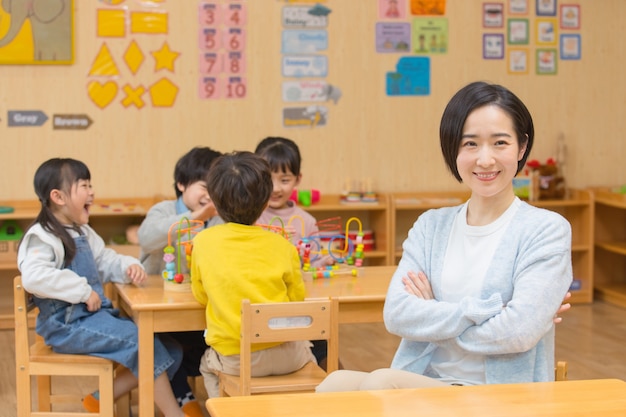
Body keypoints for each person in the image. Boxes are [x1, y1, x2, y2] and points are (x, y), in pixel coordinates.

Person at [316, 81, 573, 392]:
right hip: (429, 380)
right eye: (470, 144)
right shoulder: (430, 226)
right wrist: (480, 312)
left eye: (500, 143)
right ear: (453, 150)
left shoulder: (546, 230)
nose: (485, 159)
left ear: (521, 147)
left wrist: (434, 313)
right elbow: (397, 315)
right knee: (332, 384)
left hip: (498, 395)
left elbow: (518, 332)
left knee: (382, 383)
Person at [17, 158, 191, 417]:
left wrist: (127, 266)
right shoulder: (42, 236)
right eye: (84, 186)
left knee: (173, 349)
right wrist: (82, 290)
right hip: (66, 325)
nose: (92, 192)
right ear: (58, 196)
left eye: (91, 185)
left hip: (93, 318)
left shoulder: (82, 230)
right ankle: (173, 413)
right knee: (145, 347)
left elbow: (105, 259)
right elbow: (34, 276)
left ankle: (102, 398)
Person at [190, 151, 316, 398]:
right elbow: (296, 299)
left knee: (207, 366)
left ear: (214, 199)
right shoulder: (283, 245)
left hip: (237, 359)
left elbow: (201, 295)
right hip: (288, 355)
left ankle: (227, 411)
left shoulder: (202, 242)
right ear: (265, 200)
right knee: (307, 353)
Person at [137, 146, 223, 417]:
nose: (209, 195)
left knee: (215, 339)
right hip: (160, 306)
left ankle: (200, 395)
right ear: (181, 184)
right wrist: (196, 217)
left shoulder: (218, 218)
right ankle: (182, 396)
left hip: (199, 306)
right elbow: (147, 238)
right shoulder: (163, 211)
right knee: (162, 345)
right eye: (202, 187)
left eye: (215, 188)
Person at [254, 136, 335, 369]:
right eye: (269, 179)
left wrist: (322, 262)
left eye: (285, 179)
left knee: (323, 337)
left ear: (297, 179)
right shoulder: (251, 217)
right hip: (265, 305)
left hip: (299, 304)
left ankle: (336, 383)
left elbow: (312, 263)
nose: (276, 188)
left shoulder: (307, 222)